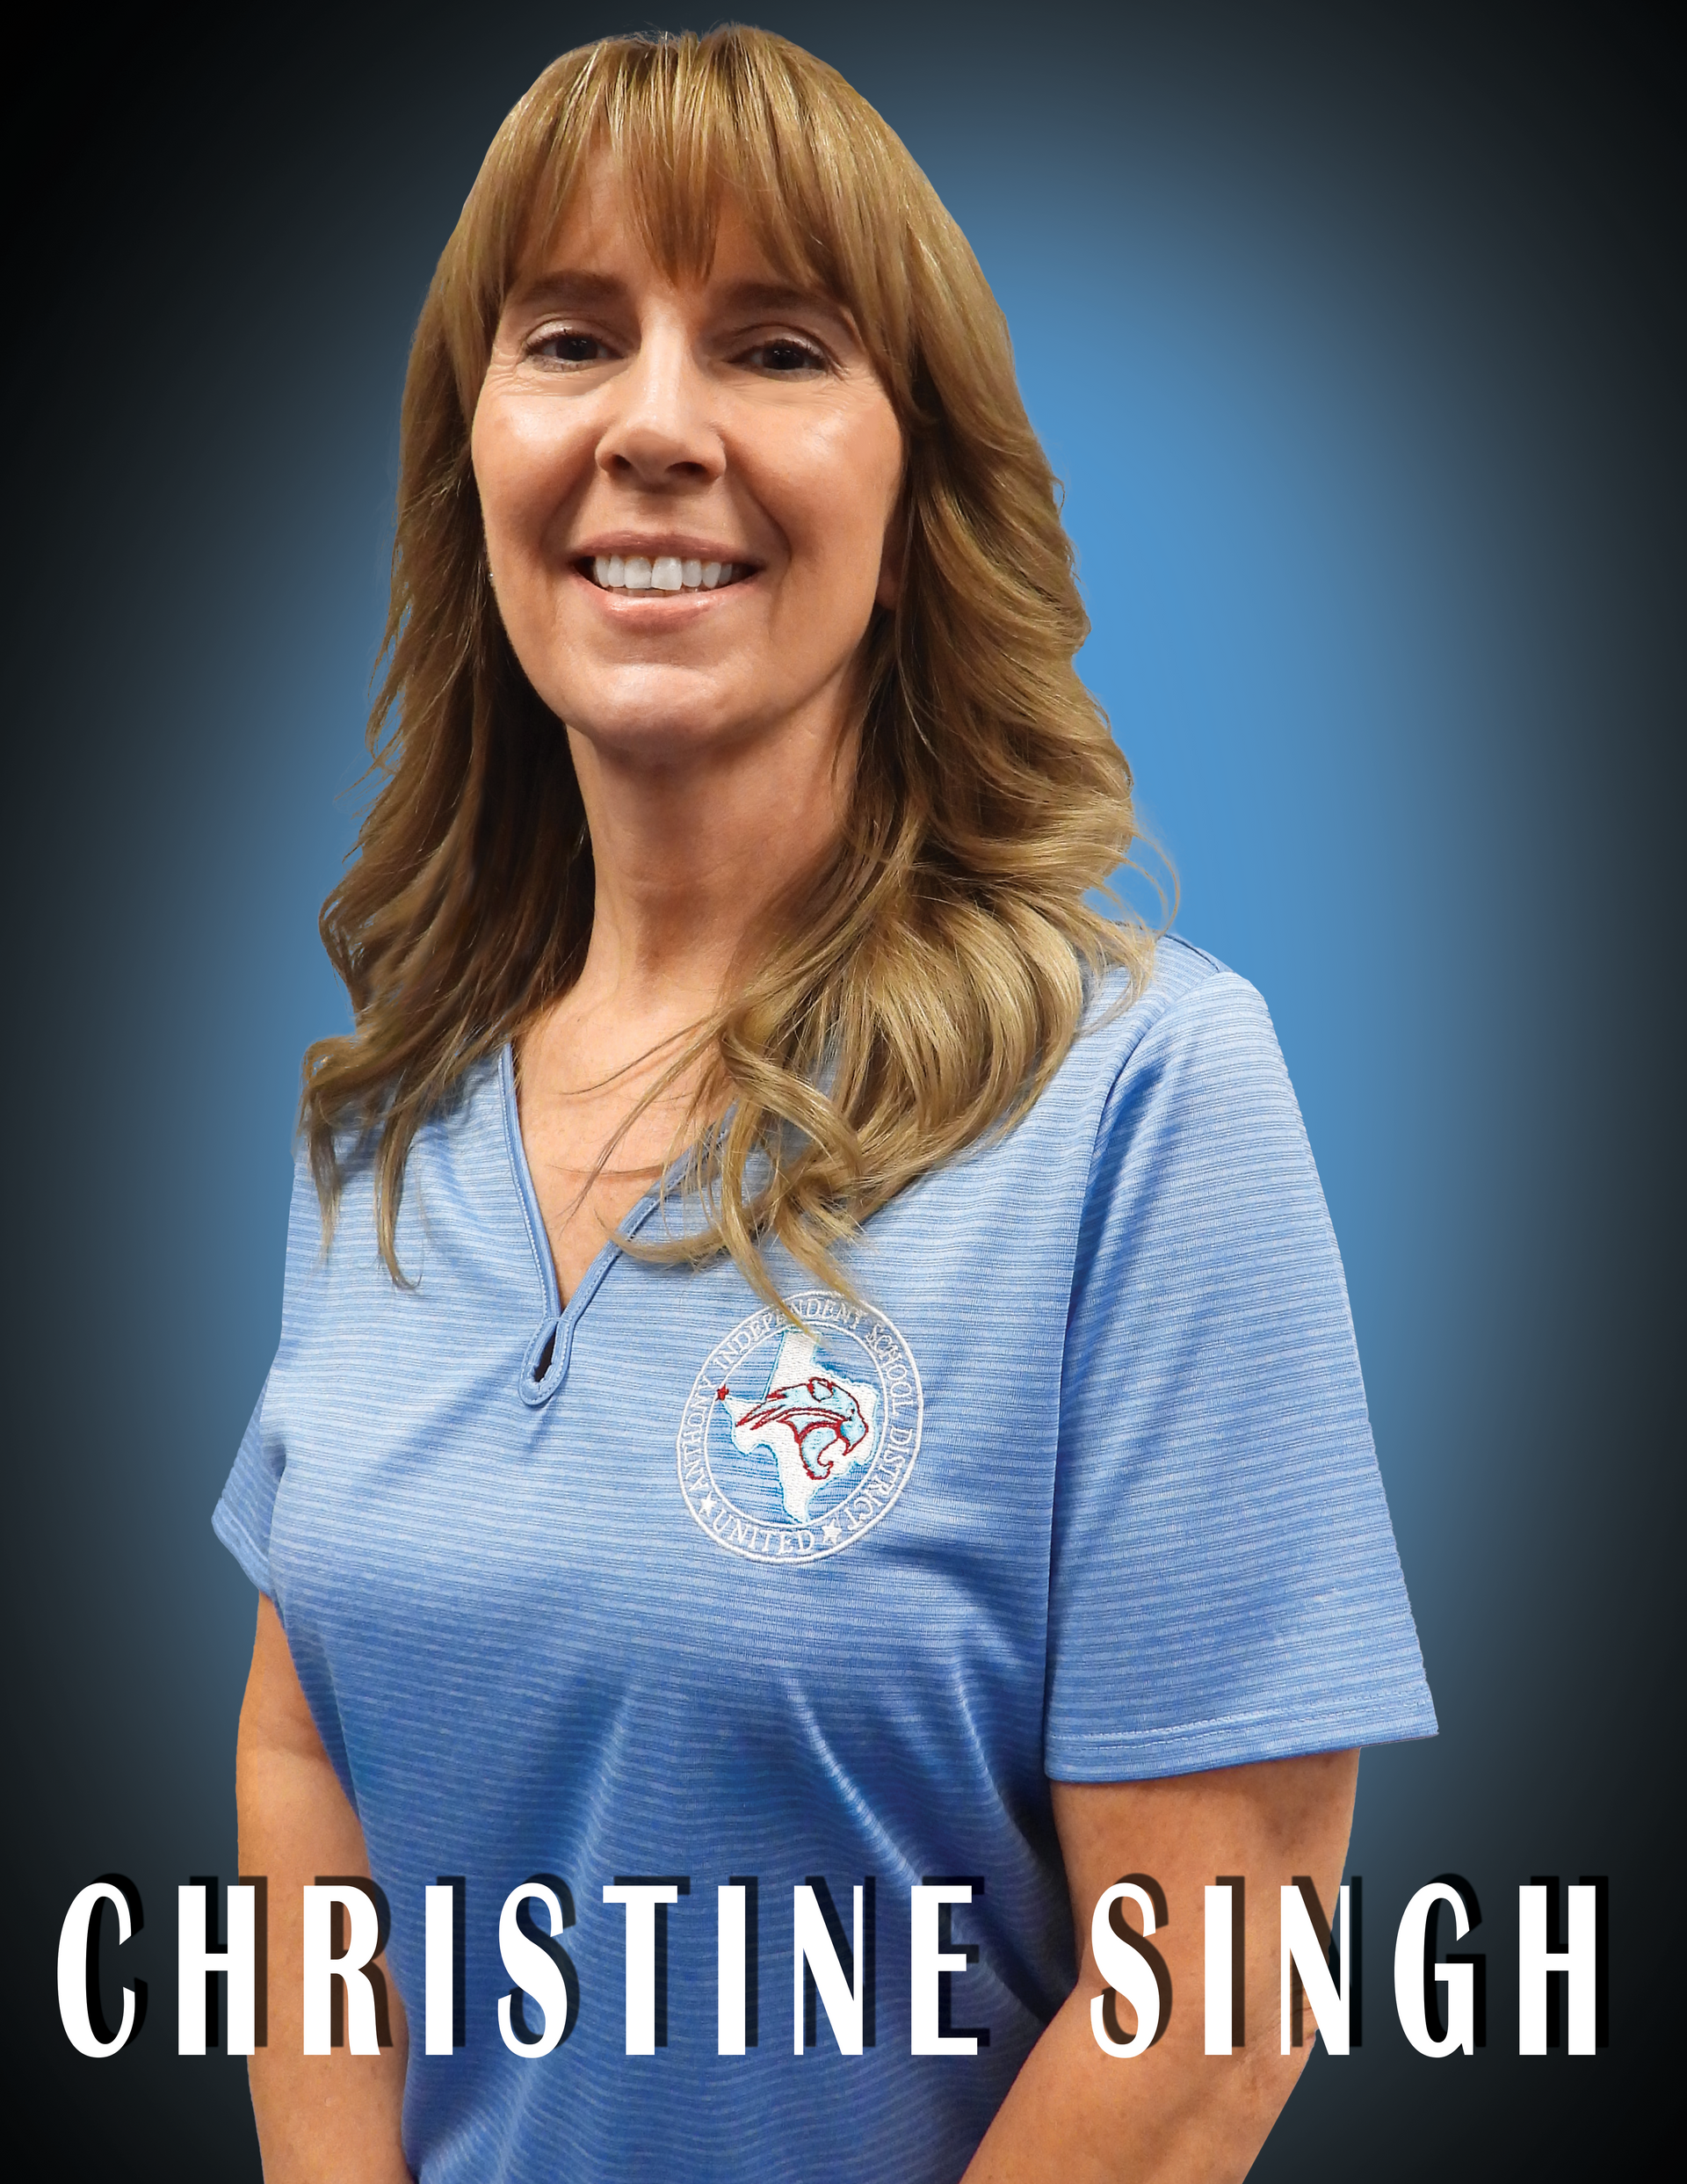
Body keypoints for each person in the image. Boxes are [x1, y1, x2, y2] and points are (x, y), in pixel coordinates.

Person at [218, 25, 1435, 2183]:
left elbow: (1219, 1996)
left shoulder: (1142, 1100)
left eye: (775, 345)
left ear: (918, 492)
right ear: (473, 459)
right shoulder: (382, 1128)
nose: (654, 428)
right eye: (572, 337)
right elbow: (311, 1738)